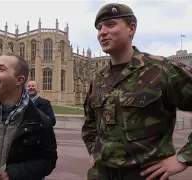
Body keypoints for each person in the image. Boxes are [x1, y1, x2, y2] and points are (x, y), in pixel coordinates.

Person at [82, 3, 192, 180]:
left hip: (144, 174)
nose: (102, 32)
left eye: (110, 25)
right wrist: (94, 151)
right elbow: (90, 123)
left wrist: (183, 158)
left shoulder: (161, 70)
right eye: (99, 28)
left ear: (131, 28)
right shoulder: (98, 78)